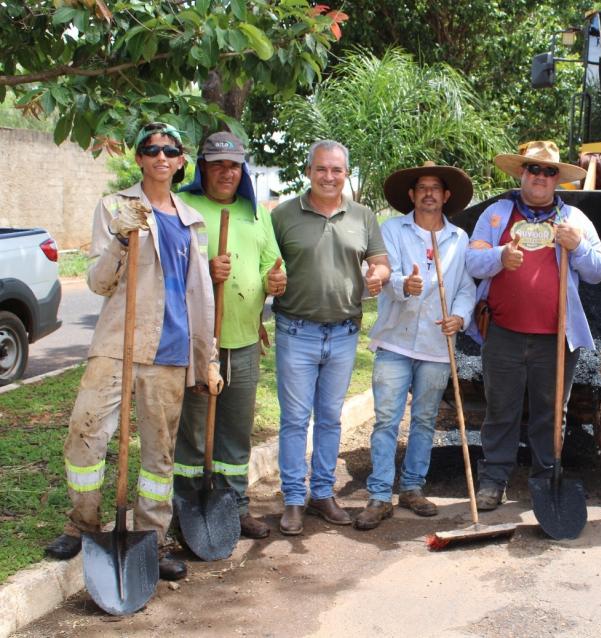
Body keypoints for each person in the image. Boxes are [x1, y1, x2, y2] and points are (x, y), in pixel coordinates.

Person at [44, 122, 219, 581]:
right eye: (151, 150)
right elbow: (99, 283)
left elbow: (199, 296)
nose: (161, 157)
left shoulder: (190, 220)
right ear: (139, 158)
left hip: (171, 352)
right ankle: (82, 524)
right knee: (85, 435)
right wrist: (122, 241)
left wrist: (209, 358)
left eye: (170, 150)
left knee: (158, 457)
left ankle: (151, 540)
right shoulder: (115, 208)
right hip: (117, 346)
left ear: (181, 162)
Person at [465, 140, 601, 510]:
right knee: (501, 408)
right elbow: (472, 261)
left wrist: (577, 246)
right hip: (503, 334)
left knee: (551, 412)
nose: (541, 177)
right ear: (522, 173)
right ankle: (494, 480)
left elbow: (599, 271)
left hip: (555, 338)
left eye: (548, 171)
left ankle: (545, 479)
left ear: (557, 178)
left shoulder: (575, 220)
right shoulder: (497, 215)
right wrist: (499, 257)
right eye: (534, 169)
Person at [271, 140, 391, 535]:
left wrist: (379, 274)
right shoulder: (284, 214)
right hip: (295, 330)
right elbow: (265, 265)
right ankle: (292, 499)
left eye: (337, 170)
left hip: (343, 333)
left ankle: (322, 494)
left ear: (346, 174)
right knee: (294, 420)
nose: (329, 176)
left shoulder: (363, 216)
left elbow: (380, 261)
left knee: (328, 419)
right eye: (321, 169)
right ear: (309, 171)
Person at [172, 132, 286, 540]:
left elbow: (271, 263)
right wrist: (205, 269)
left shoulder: (256, 213)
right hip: (199, 342)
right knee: (194, 428)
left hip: (243, 339)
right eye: (218, 164)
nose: (226, 172)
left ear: (243, 170)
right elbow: (170, 268)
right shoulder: (184, 207)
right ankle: (184, 506)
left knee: (235, 430)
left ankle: (235, 507)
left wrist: (273, 280)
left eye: (234, 165)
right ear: (202, 167)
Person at [353, 162, 477, 530]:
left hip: (437, 345)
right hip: (395, 339)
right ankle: (378, 495)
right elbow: (385, 273)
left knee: (424, 420)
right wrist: (403, 286)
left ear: (446, 196)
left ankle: (412, 487)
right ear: (411, 195)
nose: (428, 193)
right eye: (421, 187)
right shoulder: (392, 230)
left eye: (435, 188)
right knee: (387, 420)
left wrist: (460, 317)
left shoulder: (459, 238)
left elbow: (467, 287)